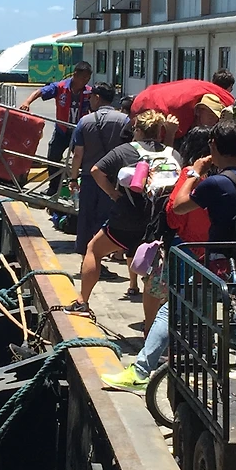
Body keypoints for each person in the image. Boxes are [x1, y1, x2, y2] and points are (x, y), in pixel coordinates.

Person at [78, 110, 179, 323]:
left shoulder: (124, 150)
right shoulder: (173, 153)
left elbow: (96, 170)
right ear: (159, 132)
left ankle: (82, 302)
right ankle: (149, 327)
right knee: (152, 273)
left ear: (138, 131)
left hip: (126, 220)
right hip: (158, 224)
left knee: (94, 250)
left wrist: (112, 193)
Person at [69, 84, 131, 256]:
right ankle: (100, 254)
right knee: (107, 217)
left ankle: (85, 255)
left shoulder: (84, 121)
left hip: (89, 178)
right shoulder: (124, 121)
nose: (89, 100)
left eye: (90, 97)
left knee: (86, 217)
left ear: (97, 98)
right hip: (113, 180)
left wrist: (73, 178)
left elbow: (78, 154)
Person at [21, 61, 93, 194]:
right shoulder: (60, 87)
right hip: (62, 131)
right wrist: (27, 102)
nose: (85, 81)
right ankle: (53, 188)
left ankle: (81, 189)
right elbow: (40, 92)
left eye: (88, 78)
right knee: (53, 157)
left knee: (83, 161)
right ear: (75, 75)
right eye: (83, 78)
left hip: (79, 132)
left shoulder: (88, 92)